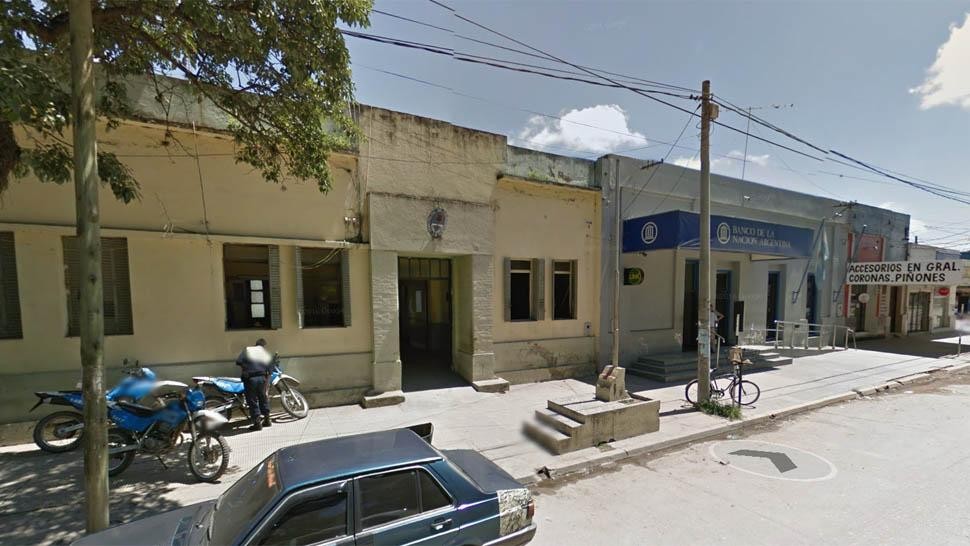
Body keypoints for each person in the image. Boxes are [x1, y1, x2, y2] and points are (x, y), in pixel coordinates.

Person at [236, 338, 273, 431]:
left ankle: (257, 424)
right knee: (263, 397)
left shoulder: (247, 350)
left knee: (252, 400)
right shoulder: (265, 353)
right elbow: (270, 371)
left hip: (250, 379)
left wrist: (245, 368)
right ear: (263, 346)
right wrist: (267, 386)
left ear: (255, 344)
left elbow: (238, 361)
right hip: (262, 378)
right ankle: (267, 420)